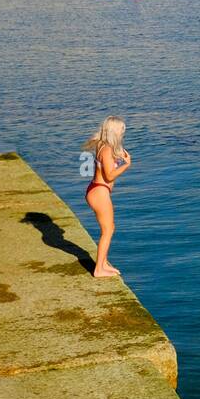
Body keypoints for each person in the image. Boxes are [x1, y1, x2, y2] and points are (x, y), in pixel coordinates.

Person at [81, 116, 132, 278]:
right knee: (108, 230)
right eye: (121, 130)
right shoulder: (108, 149)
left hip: (96, 189)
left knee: (109, 228)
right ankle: (99, 269)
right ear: (115, 131)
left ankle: (102, 263)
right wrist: (126, 165)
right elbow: (109, 176)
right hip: (100, 192)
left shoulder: (102, 145)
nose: (123, 133)